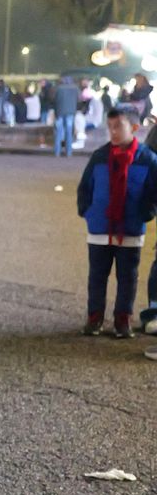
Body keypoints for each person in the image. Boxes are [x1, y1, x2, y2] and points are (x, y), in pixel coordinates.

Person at [77, 108, 157, 339]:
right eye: (110, 126)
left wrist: (145, 213)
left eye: (118, 126)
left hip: (131, 229)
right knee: (97, 276)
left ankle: (123, 320)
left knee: (128, 277)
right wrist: (88, 212)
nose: (112, 132)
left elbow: (153, 191)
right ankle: (94, 318)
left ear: (134, 128)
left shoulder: (147, 159)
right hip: (100, 228)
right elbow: (85, 187)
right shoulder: (99, 156)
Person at [54, 76, 80, 158]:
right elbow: (79, 100)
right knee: (69, 132)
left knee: (58, 132)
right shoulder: (75, 88)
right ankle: (69, 152)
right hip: (70, 112)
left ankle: (57, 152)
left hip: (59, 112)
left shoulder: (59, 88)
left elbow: (55, 100)